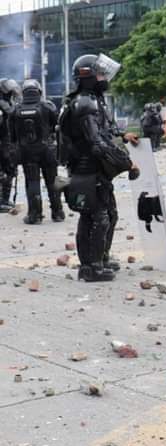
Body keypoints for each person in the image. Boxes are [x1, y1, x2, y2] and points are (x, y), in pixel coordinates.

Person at [57, 53, 140, 282]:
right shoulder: (85, 103)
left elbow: (105, 132)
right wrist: (126, 162)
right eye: (100, 72)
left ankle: (100, 258)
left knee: (108, 215)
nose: (104, 77)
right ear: (89, 76)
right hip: (86, 171)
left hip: (94, 171)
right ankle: (91, 267)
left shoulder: (93, 99)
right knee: (97, 217)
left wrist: (123, 136)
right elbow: (96, 143)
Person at [9, 79, 64, 224]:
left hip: (27, 152)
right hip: (47, 150)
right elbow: (56, 126)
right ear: (39, 91)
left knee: (32, 182)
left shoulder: (15, 109)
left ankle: (35, 215)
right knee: (53, 181)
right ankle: (58, 213)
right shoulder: (48, 106)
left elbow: (12, 135)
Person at [0, 78, 21, 213]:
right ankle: (2, 201)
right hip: (3, 143)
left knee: (10, 171)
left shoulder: (9, 103)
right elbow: (11, 113)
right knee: (5, 172)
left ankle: (5, 200)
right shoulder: (3, 105)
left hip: (8, 143)